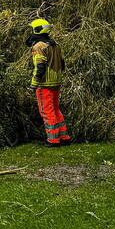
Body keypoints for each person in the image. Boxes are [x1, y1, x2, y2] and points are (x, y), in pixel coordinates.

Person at [27, 18, 71, 147]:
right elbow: (62, 63)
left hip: (44, 84)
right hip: (56, 82)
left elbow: (39, 67)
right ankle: (64, 137)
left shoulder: (39, 46)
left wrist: (33, 84)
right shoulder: (55, 45)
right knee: (56, 109)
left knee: (47, 111)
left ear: (37, 30)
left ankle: (53, 140)